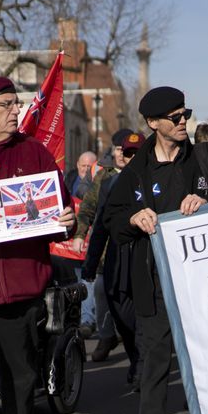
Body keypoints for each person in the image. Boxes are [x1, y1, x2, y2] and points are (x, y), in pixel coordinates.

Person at [103, 86, 208, 414]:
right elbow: (112, 219)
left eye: (186, 114)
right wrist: (133, 219)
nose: (184, 122)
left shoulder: (207, 159)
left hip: (206, 283)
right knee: (153, 365)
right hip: (155, 281)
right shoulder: (136, 171)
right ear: (153, 123)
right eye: (175, 117)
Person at [0, 76, 76, 414]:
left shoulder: (34, 152)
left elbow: (63, 209)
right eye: (6, 105)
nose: (16, 111)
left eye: (16, 104)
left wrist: (66, 221)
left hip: (22, 284)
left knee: (20, 376)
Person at [83, 132, 146, 386]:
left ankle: (143, 368)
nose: (129, 157)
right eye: (125, 152)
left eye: (135, 153)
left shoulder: (154, 180)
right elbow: (100, 227)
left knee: (144, 320)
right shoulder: (109, 184)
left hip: (145, 262)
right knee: (124, 320)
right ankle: (135, 359)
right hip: (116, 263)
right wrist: (90, 262)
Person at [75, 128, 133, 362]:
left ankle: (132, 343)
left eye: (126, 150)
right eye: (119, 149)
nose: (121, 154)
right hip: (106, 250)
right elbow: (88, 207)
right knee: (100, 292)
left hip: (133, 248)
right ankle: (107, 335)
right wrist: (80, 234)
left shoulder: (142, 173)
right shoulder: (103, 176)